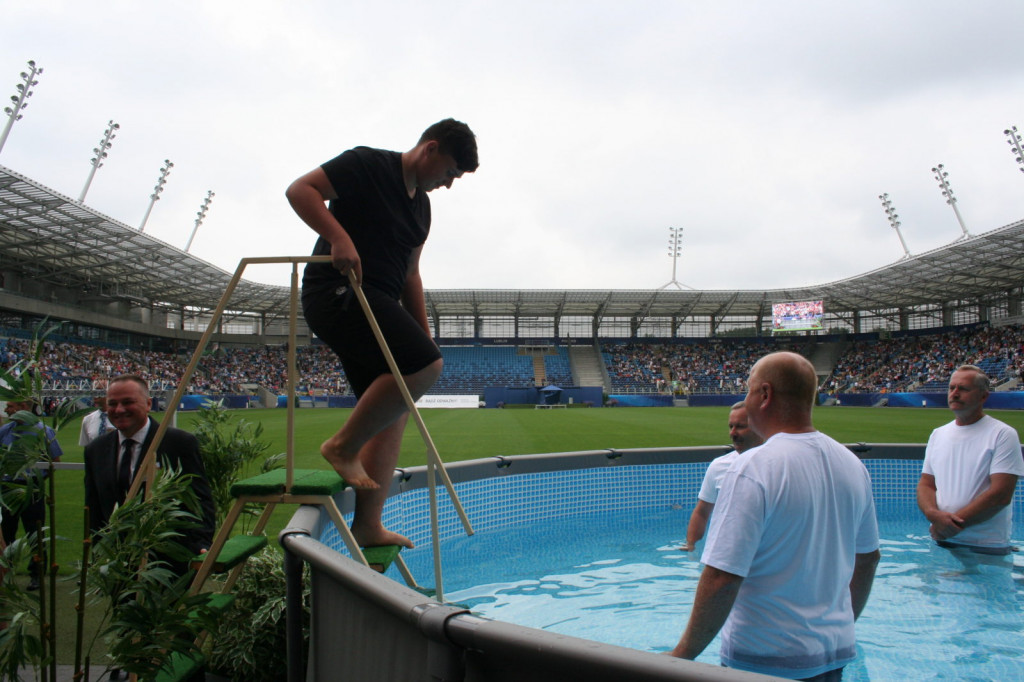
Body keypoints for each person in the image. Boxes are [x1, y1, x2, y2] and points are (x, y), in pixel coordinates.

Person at [287, 118, 478, 549]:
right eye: (449, 173)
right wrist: (338, 238)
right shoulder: (367, 164)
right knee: (425, 367)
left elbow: (411, 274)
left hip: (379, 304)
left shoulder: (422, 208)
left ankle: (368, 526)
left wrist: (423, 332)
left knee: (397, 407)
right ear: (430, 149)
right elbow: (300, 190)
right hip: (339, 292)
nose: (448, 184)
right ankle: (341, 446)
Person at [670, 352, 880, 681]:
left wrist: (681, 657)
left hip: (763, 659)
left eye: (750, 389)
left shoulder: (752, 468)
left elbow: (723, 577)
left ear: (765, 395)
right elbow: (868, 559)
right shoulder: (852, 465)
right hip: (833, 656)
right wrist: (841, 625)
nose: (747, 398)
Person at [83, 375, 216, 573]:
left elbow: (199, 497)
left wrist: (200, 542)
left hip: (169, 562)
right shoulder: (95, 450)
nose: (119, 410)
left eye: (128, 402)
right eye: (113, 404)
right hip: (118, 562)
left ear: (148, 404)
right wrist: (96, 549)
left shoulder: (178, 443)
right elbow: (93, 506)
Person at [916, 364, 1024, 554]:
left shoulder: (1002, 434)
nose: (955, 393)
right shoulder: (938, 434)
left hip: (986, 546)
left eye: (963, 389)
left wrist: (948, 526)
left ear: (984, 396)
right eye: (951, 388)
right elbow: (926, 484)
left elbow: (1000, 495)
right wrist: (932, 514)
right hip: (942, 543)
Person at [683, 401, 764, 552]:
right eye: (730, 426)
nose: (732, 433)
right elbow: (702, 511)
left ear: (760, 426)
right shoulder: (719, 466)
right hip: (726, 553)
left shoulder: (777, 465)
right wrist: (691, 544)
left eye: (740, 426)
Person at [0, 399, 62, 590]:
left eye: (11, 406)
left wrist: (38, 483)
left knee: (35, 534)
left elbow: (55, 461)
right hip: (8, 488)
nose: (7, 410)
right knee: (6, 533)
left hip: (32, 488)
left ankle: (36, 574)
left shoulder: (42, 431)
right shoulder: (5, 431)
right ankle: (6, 573)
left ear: (24, 407)